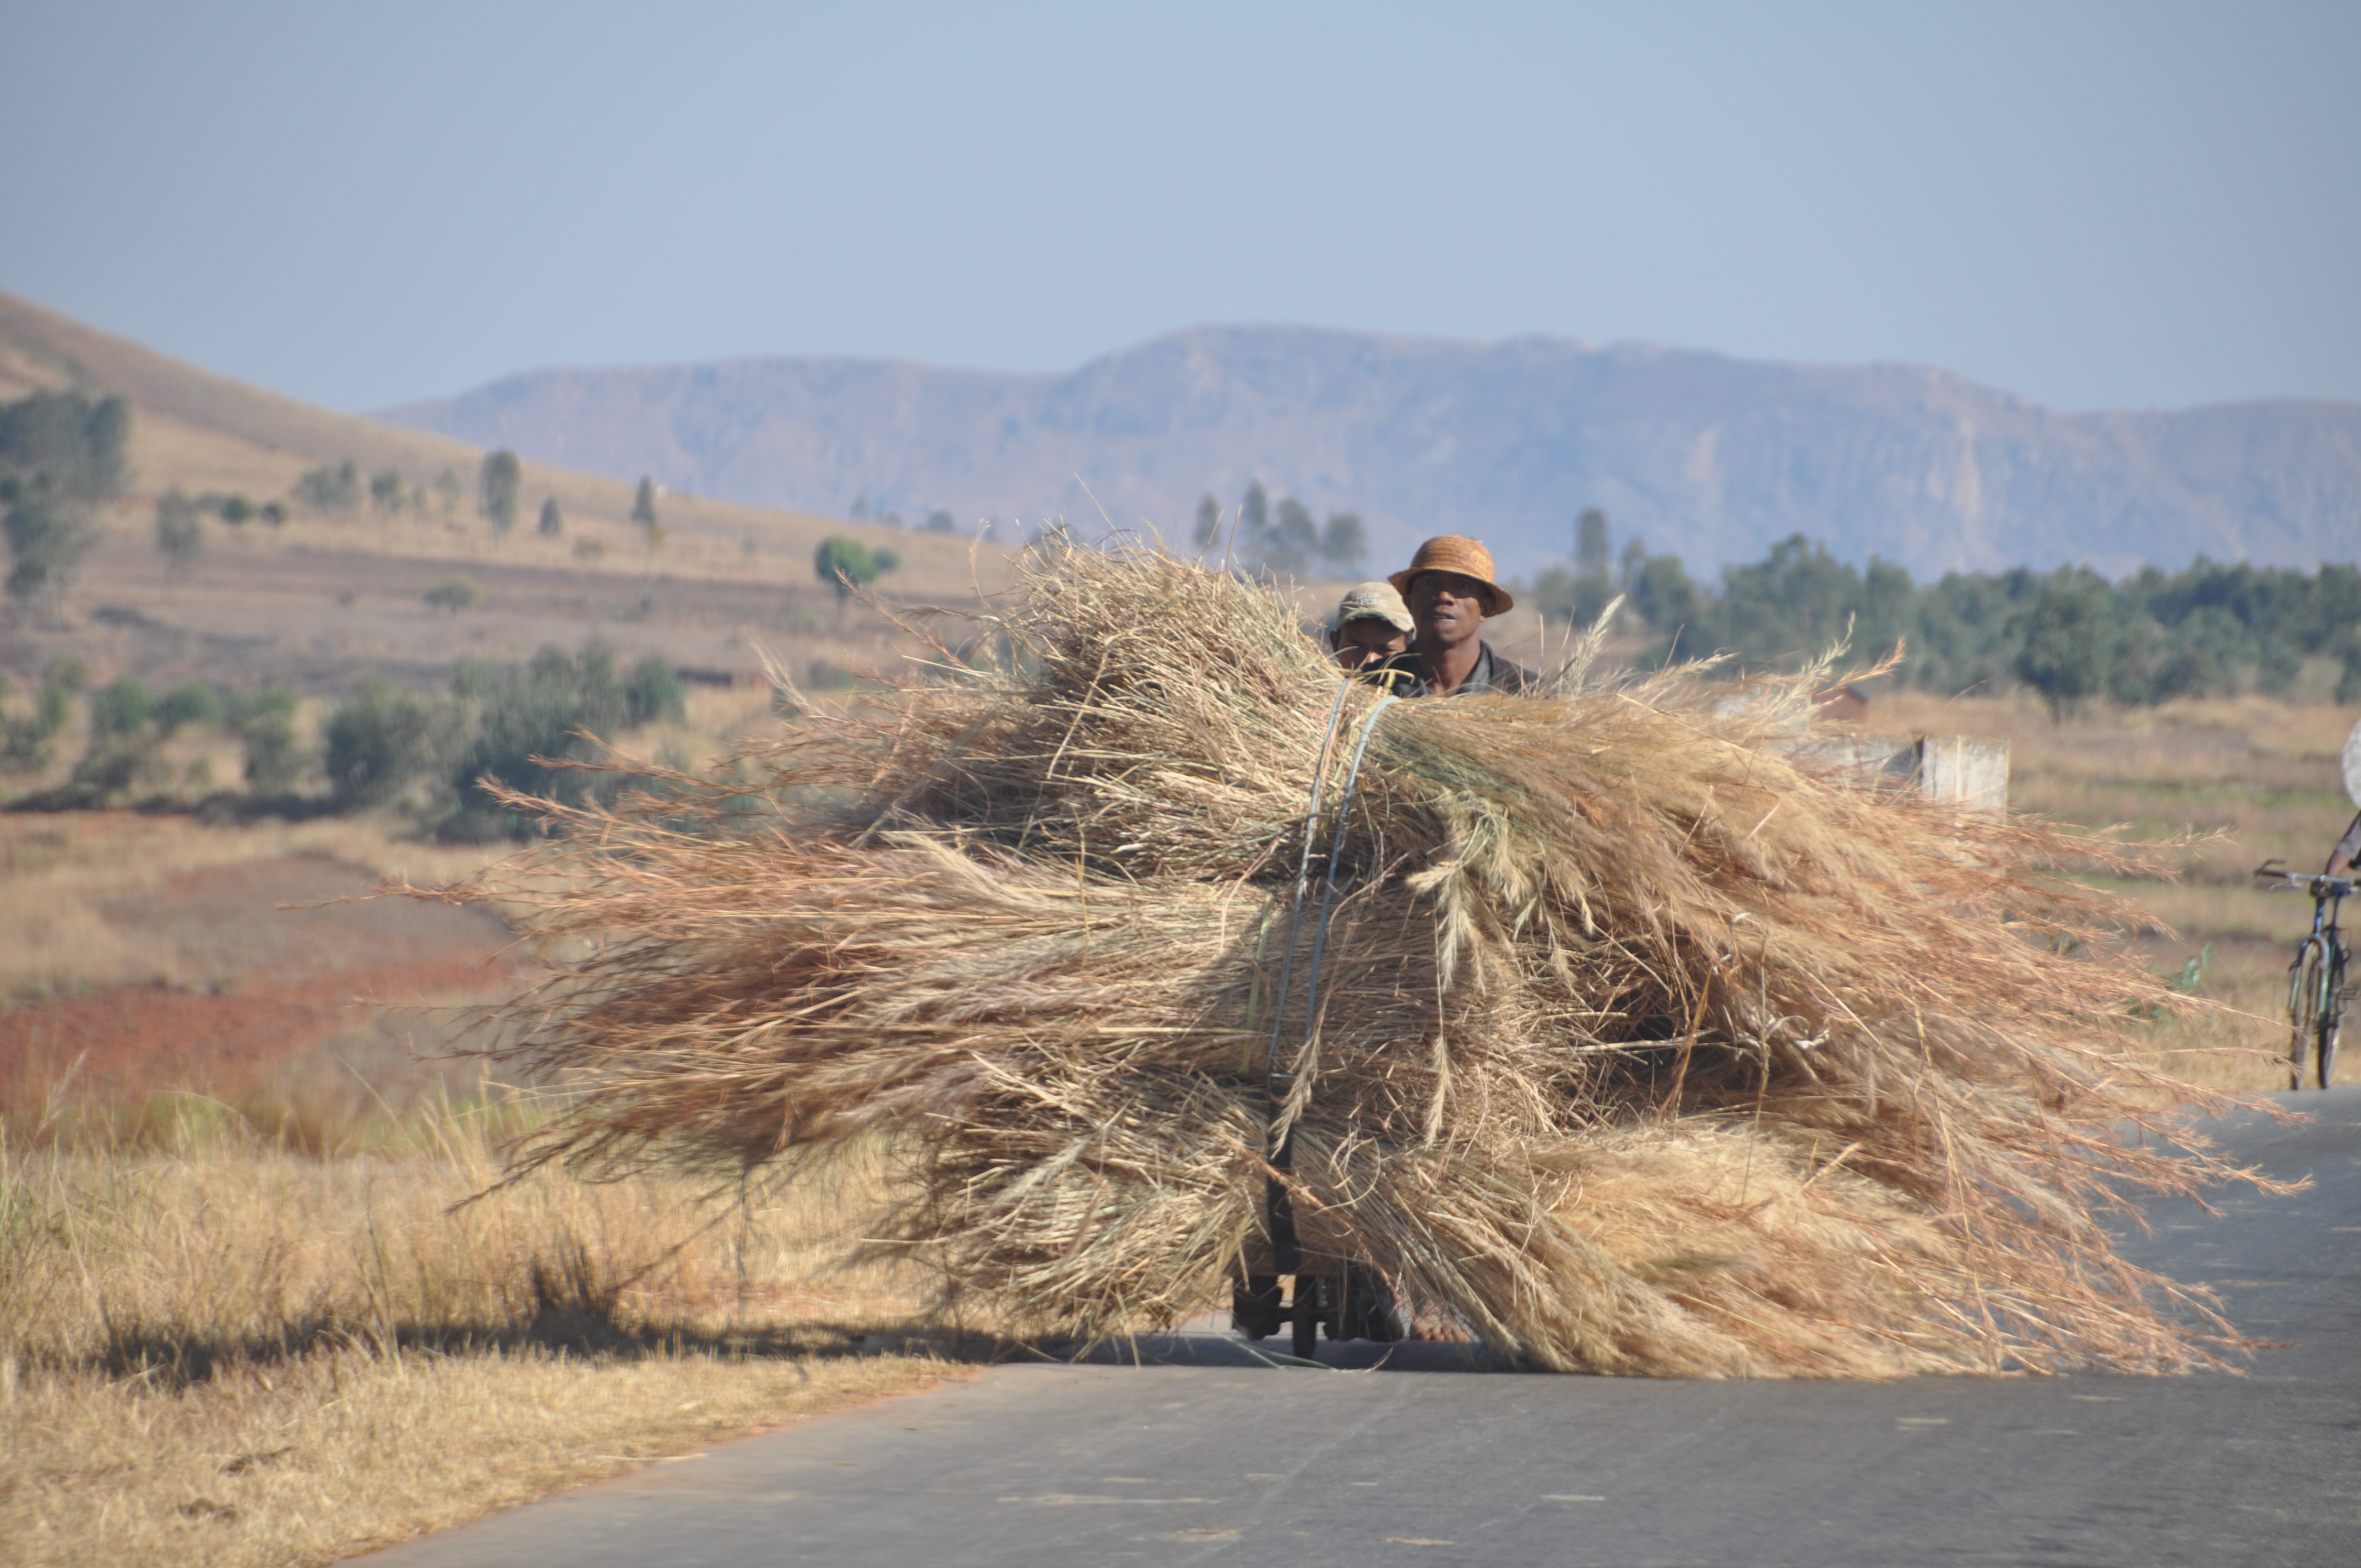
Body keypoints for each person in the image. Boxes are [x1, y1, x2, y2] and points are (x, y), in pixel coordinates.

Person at [1372, 535, 1533, 697]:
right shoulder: (1368, 687)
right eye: (1428, 583)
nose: (1443, 596)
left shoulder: (1526, 694)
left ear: (1486, 608)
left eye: (1461, 585)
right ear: (1409, 602)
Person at [1329, 581, 1415, 673]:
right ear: (1336, 644)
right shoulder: (1317, 687)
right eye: (1356, 648)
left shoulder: (1426, 686)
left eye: (1385, 650)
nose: (1370, 661)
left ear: (1410, 649)